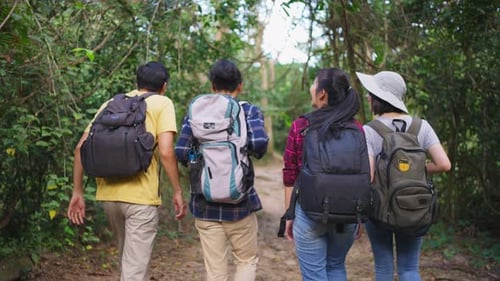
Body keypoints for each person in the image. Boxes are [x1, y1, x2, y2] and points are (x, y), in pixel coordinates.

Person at [67, 61, 187, 281]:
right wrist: (178, 191)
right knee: (133, 272)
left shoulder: (112, 103)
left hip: (110, 199)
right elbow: (167, 151)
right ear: (164, 86)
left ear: (137, 83)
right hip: (141, 200)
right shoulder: (162, 103)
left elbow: (79, 148)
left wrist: (78, 192)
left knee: (126, 265)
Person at [175, 59, 269, 281]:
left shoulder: (196, 112)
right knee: (245, 261)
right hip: (241, 203)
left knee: (215, 272)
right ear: (240, 86)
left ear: (212, 86)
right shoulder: (248, 111)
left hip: (205, 203)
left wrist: (202, 159)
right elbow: (260, 145)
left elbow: (180, 150)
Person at [356, 70, 451, 281]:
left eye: (370, 94)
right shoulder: (421, 126)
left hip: (379, 208)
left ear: (378, 98)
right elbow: (444, 164)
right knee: (409, 269)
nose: (368, 98)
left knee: (384, 269)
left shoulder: (369, 130)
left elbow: (368, 176)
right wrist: (415, 169)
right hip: (414, 205)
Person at [282, 68, 362, 281]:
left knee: (314, 276)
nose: (311, 87)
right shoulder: (357, 129)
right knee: (336, 267)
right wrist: (358, 215)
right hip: (347, 214)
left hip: (309, 212)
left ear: (322, 93)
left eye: (314, 83)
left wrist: (290, 214)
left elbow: (290, 174)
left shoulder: (301, 126)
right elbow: (365, 174)